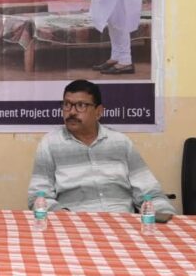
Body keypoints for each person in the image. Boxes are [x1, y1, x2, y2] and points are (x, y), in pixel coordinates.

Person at [27, 79, 175, 216]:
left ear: (98, 112)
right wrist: (63, 215)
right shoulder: (50, 144)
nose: (71, 112)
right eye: (67, 104)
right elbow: (38, 196)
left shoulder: (120, 143)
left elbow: (150, 191)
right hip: (75, 223)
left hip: (123, 223)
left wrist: (165, 216)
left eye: (81, 105)